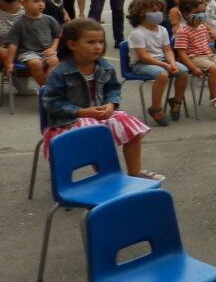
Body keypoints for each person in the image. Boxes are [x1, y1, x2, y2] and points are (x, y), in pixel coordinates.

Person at [41, 19, 157, 179]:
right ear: (72, 45)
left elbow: (113, 88)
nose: (98, 46)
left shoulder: (105, 66)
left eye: (101, 42)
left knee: (130, 125)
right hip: (67, 123)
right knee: (93, 129)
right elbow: (51, 103)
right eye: (91, 42)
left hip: (98, 116)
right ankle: (107, 176)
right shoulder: (59, 72)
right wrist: (81, 112)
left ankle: (134, 172)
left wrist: (111, 104)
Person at [126, 0, 189, 126]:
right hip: (141, 63)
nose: (158, 13)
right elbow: (143, 57)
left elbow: (167, 50)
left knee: (183, 71)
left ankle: (176, 102)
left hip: (160, 60)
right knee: (162, 75)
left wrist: (172, 63)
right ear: (141, 13)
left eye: (159, 10)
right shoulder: (138, 33)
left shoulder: (162, 30)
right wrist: (164, 65)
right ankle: (155, 108)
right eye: (153, 11)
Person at [173, 0, 216, 108]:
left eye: (203, 11)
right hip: (194, 57)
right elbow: (181, 53)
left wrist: (212, 36)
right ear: (186, 14)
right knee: (214, 69)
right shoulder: (183, 31)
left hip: (208, 54)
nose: (202, 14)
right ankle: (214, 98)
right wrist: (193, 68)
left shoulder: (202, 27)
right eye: (198, 12)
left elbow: (206, 43)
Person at [4, 0, 61, 86]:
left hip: (46, 51)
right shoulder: (19, 23)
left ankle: (49, 86)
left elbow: (57, 36)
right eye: (36, 1)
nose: (41, 4)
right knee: (36, 63)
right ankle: (43, 87)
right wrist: (9, 62)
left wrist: (52, 48)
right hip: (27, 52)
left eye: (43, 1)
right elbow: (13, 44)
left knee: (54, 61)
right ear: (23, 3)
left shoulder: (49, 19)